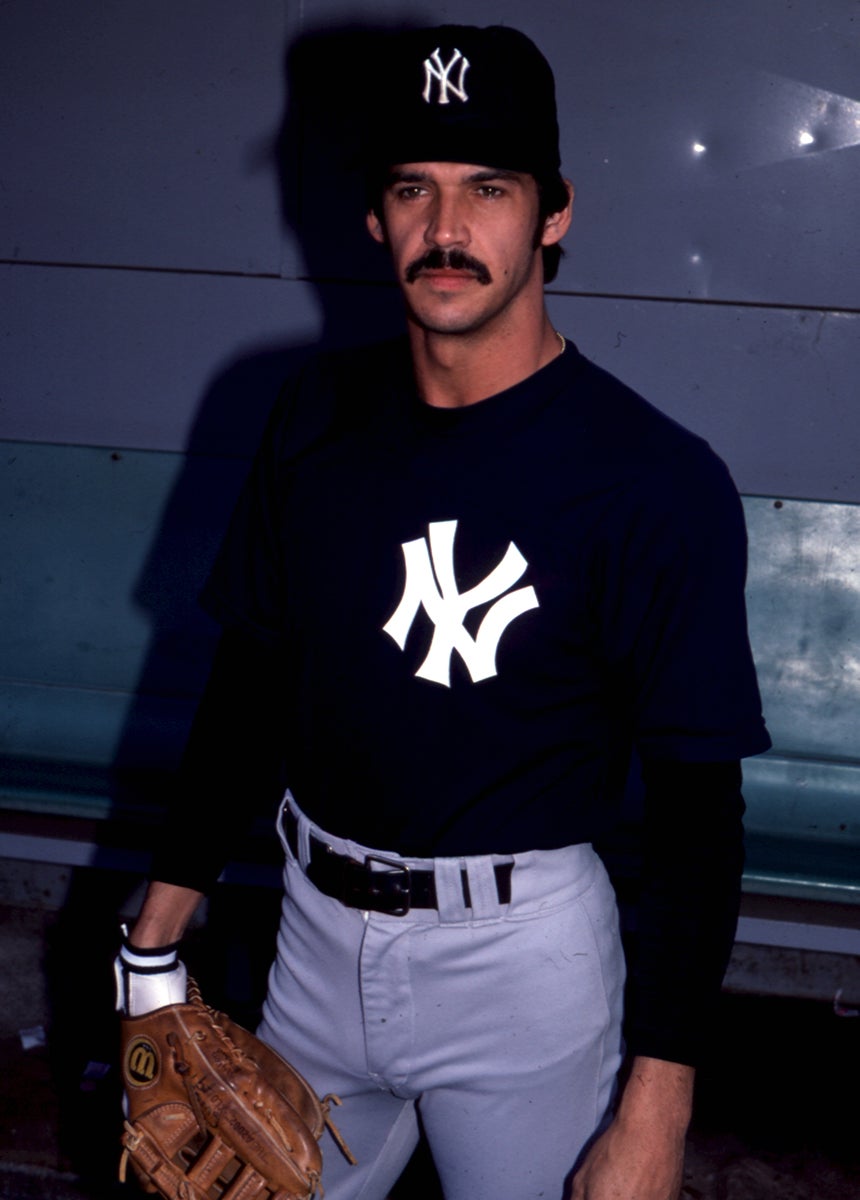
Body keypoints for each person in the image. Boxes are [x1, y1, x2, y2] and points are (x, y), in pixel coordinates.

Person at [116, 25, 770, 1200]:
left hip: (522, 963)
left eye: (488, 189)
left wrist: (658, 1104)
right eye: (413, 188)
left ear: (554, 213)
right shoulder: (308, 411)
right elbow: (253, 670)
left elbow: (694, 814)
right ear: (374, 216)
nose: (446, 230)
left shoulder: (650, 480)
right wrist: (156, 925)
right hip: (310, 932)